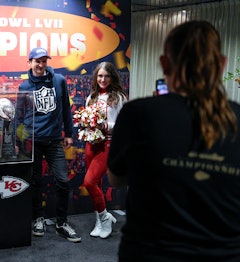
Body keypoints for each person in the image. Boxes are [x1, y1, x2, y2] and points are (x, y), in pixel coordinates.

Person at [107, 20, 240, 261]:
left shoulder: (138, 113)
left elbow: (116, 179)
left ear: (164, 64)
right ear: (221, 66)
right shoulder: (236, 118)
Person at [17, 47, 81, 242]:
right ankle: (38, 218)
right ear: (29, 63)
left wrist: (69, 133)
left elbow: (66, 111)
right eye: (37, 61)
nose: (40, 64)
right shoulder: (24, 86)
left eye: (44, 60)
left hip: (54, 141)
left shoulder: (59, 81)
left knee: (63, 181)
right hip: (32, 141)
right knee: (35, 183)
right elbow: (18, 116)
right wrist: (18, 142)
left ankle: (61, 223)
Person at [82, 62, 127, 239]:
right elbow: (88, 121)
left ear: (112, 77)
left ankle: (105, 218)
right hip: (91, 144)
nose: (102, 79)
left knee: (89, 182)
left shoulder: (119, 97)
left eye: (106, 76)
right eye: (100, 76)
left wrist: (105, 125)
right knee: (96, 185)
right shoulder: (91, 97)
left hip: (108, 144)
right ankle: (99, 221)